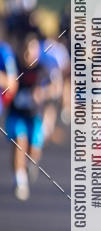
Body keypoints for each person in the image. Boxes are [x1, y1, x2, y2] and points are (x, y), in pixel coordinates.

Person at [5, 33, 54, 200]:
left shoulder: (42, 69)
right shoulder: (15, 67)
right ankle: (20, 180)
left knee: (33, 149)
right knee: (19, 142)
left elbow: (56, 87)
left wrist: (43, 92)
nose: (27, 53)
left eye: (31, 49)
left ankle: (31, 164)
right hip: (16, 114)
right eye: (25, 49)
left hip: (34, 116)